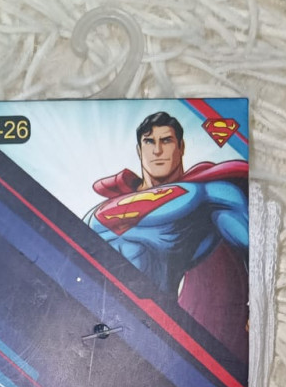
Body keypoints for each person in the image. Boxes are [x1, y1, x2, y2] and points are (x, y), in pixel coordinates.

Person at [84, 111, 249, 351]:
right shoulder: (103, 208)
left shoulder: (207, 195)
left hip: (148, 328)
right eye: (149, 142)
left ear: (181, 147)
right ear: (139, 150)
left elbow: (252, 248)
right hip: (87, 309)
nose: (157, 150)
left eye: (166, 141)